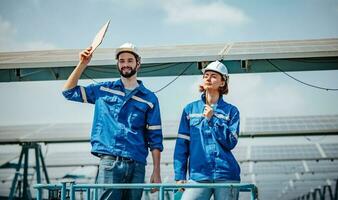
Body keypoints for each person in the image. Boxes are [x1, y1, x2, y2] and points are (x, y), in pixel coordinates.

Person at [62, 43, 163, 200]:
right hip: (110, 162)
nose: (125, 64)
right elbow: (68, 92)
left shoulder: (149, 99)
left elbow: (155, 137)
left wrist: (156, 171)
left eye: (130, 60)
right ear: (117, 64)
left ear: (138, 63)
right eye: (121, 61)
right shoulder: (103, 90)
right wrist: (83, 64)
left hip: (137, 164)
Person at [174, 60, 241, 200]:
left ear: (222, 82)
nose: (208, 78)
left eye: (214, 76)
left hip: (226, 175)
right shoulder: (190, 110)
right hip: (199, 175)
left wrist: (213, 119)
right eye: (206, 75)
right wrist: (180, 176)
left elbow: (231, 142)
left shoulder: (231, 111)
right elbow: (182, 145)